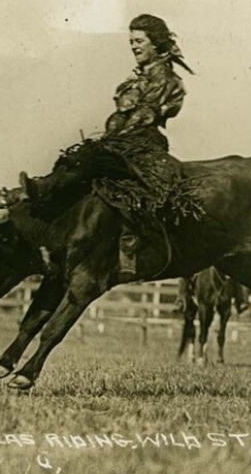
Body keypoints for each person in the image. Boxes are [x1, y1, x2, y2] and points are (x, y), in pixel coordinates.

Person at [18, 14, 194, 278]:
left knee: (89, 160)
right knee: (77, 159)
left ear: (155, 44)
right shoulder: (137, 78)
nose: (134, 46)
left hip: (142, 145)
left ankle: (42, 190)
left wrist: (110, 141)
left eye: (139, 41)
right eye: (131, 41)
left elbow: (141, 117)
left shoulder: (166, 79)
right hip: (123, 141)